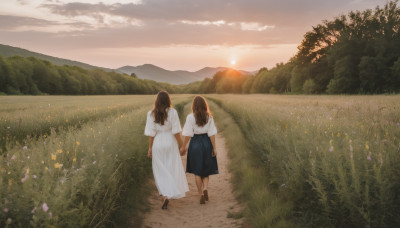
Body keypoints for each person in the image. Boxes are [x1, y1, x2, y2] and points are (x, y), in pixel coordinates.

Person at [144, 91, 189, 210]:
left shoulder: (151, 114)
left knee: (160, 170)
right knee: (171, 167)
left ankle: (165, 195)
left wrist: (150, 148)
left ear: (157, 101)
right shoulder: (172, 112)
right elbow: (176, 132)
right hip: (170, 142)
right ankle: (169, 192)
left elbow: (151, 134)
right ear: (168, 100)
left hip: (158, 142)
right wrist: (182, 146)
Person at [180, 96, 218, 204]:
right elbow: (211, 134)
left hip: (195, 143)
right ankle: (205, 188)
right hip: (206, 142)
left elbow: (187, 134)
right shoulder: (209, 117)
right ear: (204, 105)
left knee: (197, 171)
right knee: (206, 169)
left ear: (194, 106)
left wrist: (183, 146)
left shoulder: (190, 117)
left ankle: (200, 194)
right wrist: (214, 148)